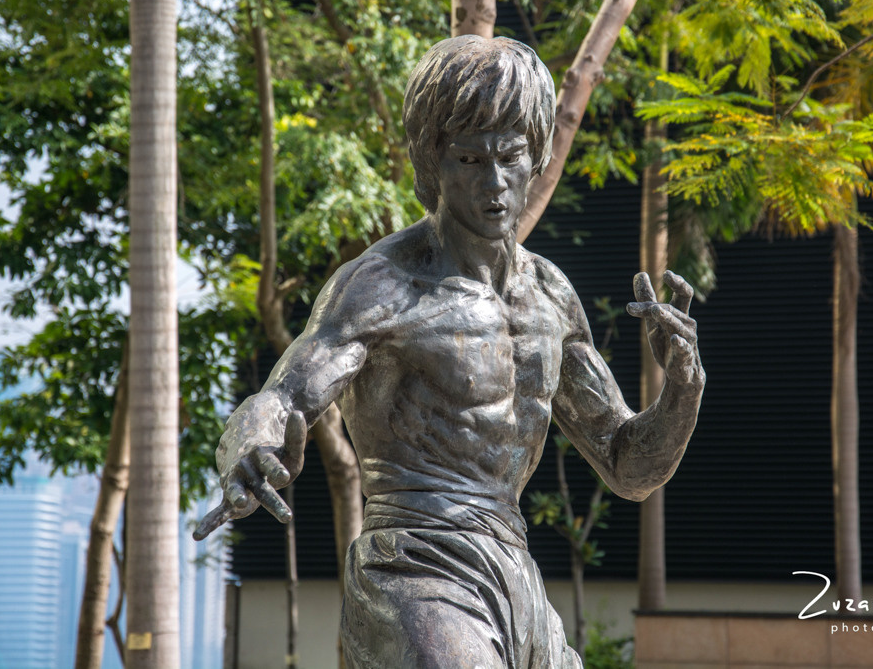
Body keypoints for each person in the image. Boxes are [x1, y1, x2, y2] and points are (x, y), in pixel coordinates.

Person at [194, 35, 704, 668]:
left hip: (515, 573)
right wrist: (250, 445)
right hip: (414, 566)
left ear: (536, 156)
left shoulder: (549, 296)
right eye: (468, 160)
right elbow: (284, 395)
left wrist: (683, 385)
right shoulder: (382, 284)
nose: (494, 183)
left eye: (511, 157)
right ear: (431, 162)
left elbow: (629, 466)